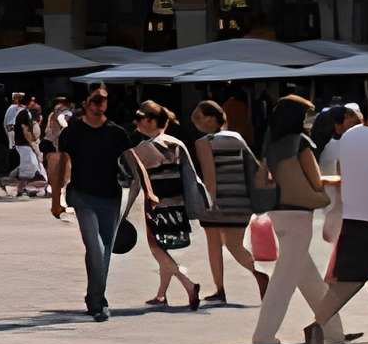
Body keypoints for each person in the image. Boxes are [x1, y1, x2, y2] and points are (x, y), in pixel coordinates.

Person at [299, 92, 368, 344]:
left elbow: (346, 171)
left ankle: (317, 324)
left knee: (348, 282)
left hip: (354, 219)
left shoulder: (351, 136)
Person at [45, 85, 137, 324]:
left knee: (104, 251)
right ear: (86, 103)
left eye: (104, 100)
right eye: (95, 100)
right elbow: (61, 166)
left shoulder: (117, 133)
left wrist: (149, 191)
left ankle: (96, 297)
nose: (100, 105)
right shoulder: (72, 132)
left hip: (111, 197)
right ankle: (97, 304)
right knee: (95, 248)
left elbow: (133, 164)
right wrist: (57, 200)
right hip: (82, 196)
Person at [250, 95, 328, 344]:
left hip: (278, 212)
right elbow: (316, 181)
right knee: (284, 279)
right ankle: (264, 334)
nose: (311, 119)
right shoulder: (301, 142)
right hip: (298, 213)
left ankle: (333, 330)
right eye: (308, 114)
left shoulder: (271, 142)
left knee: (308, 277)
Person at [129, 102, 200, 311]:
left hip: (156, 204)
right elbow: (190, 175)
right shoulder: (176, 143)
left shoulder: (142, 148)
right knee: (163, 248)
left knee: (156, 247)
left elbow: (137, 182)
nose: (137, 122)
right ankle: (161, 294)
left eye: (140, 118)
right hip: (177, 202)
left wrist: (125, 211)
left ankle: (187, 283)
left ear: (150, 121)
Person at [191, 100, 262, 306]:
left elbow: (210, 178)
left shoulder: (204, 142)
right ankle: (258, 274)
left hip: (218, 203)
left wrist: (209, 204)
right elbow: (254, 167)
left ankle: (220, 289)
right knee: (235, 245)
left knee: (214, 245)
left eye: (198, 118)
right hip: (241, 201)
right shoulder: (237, 138)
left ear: (211, 119)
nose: (195, 123)